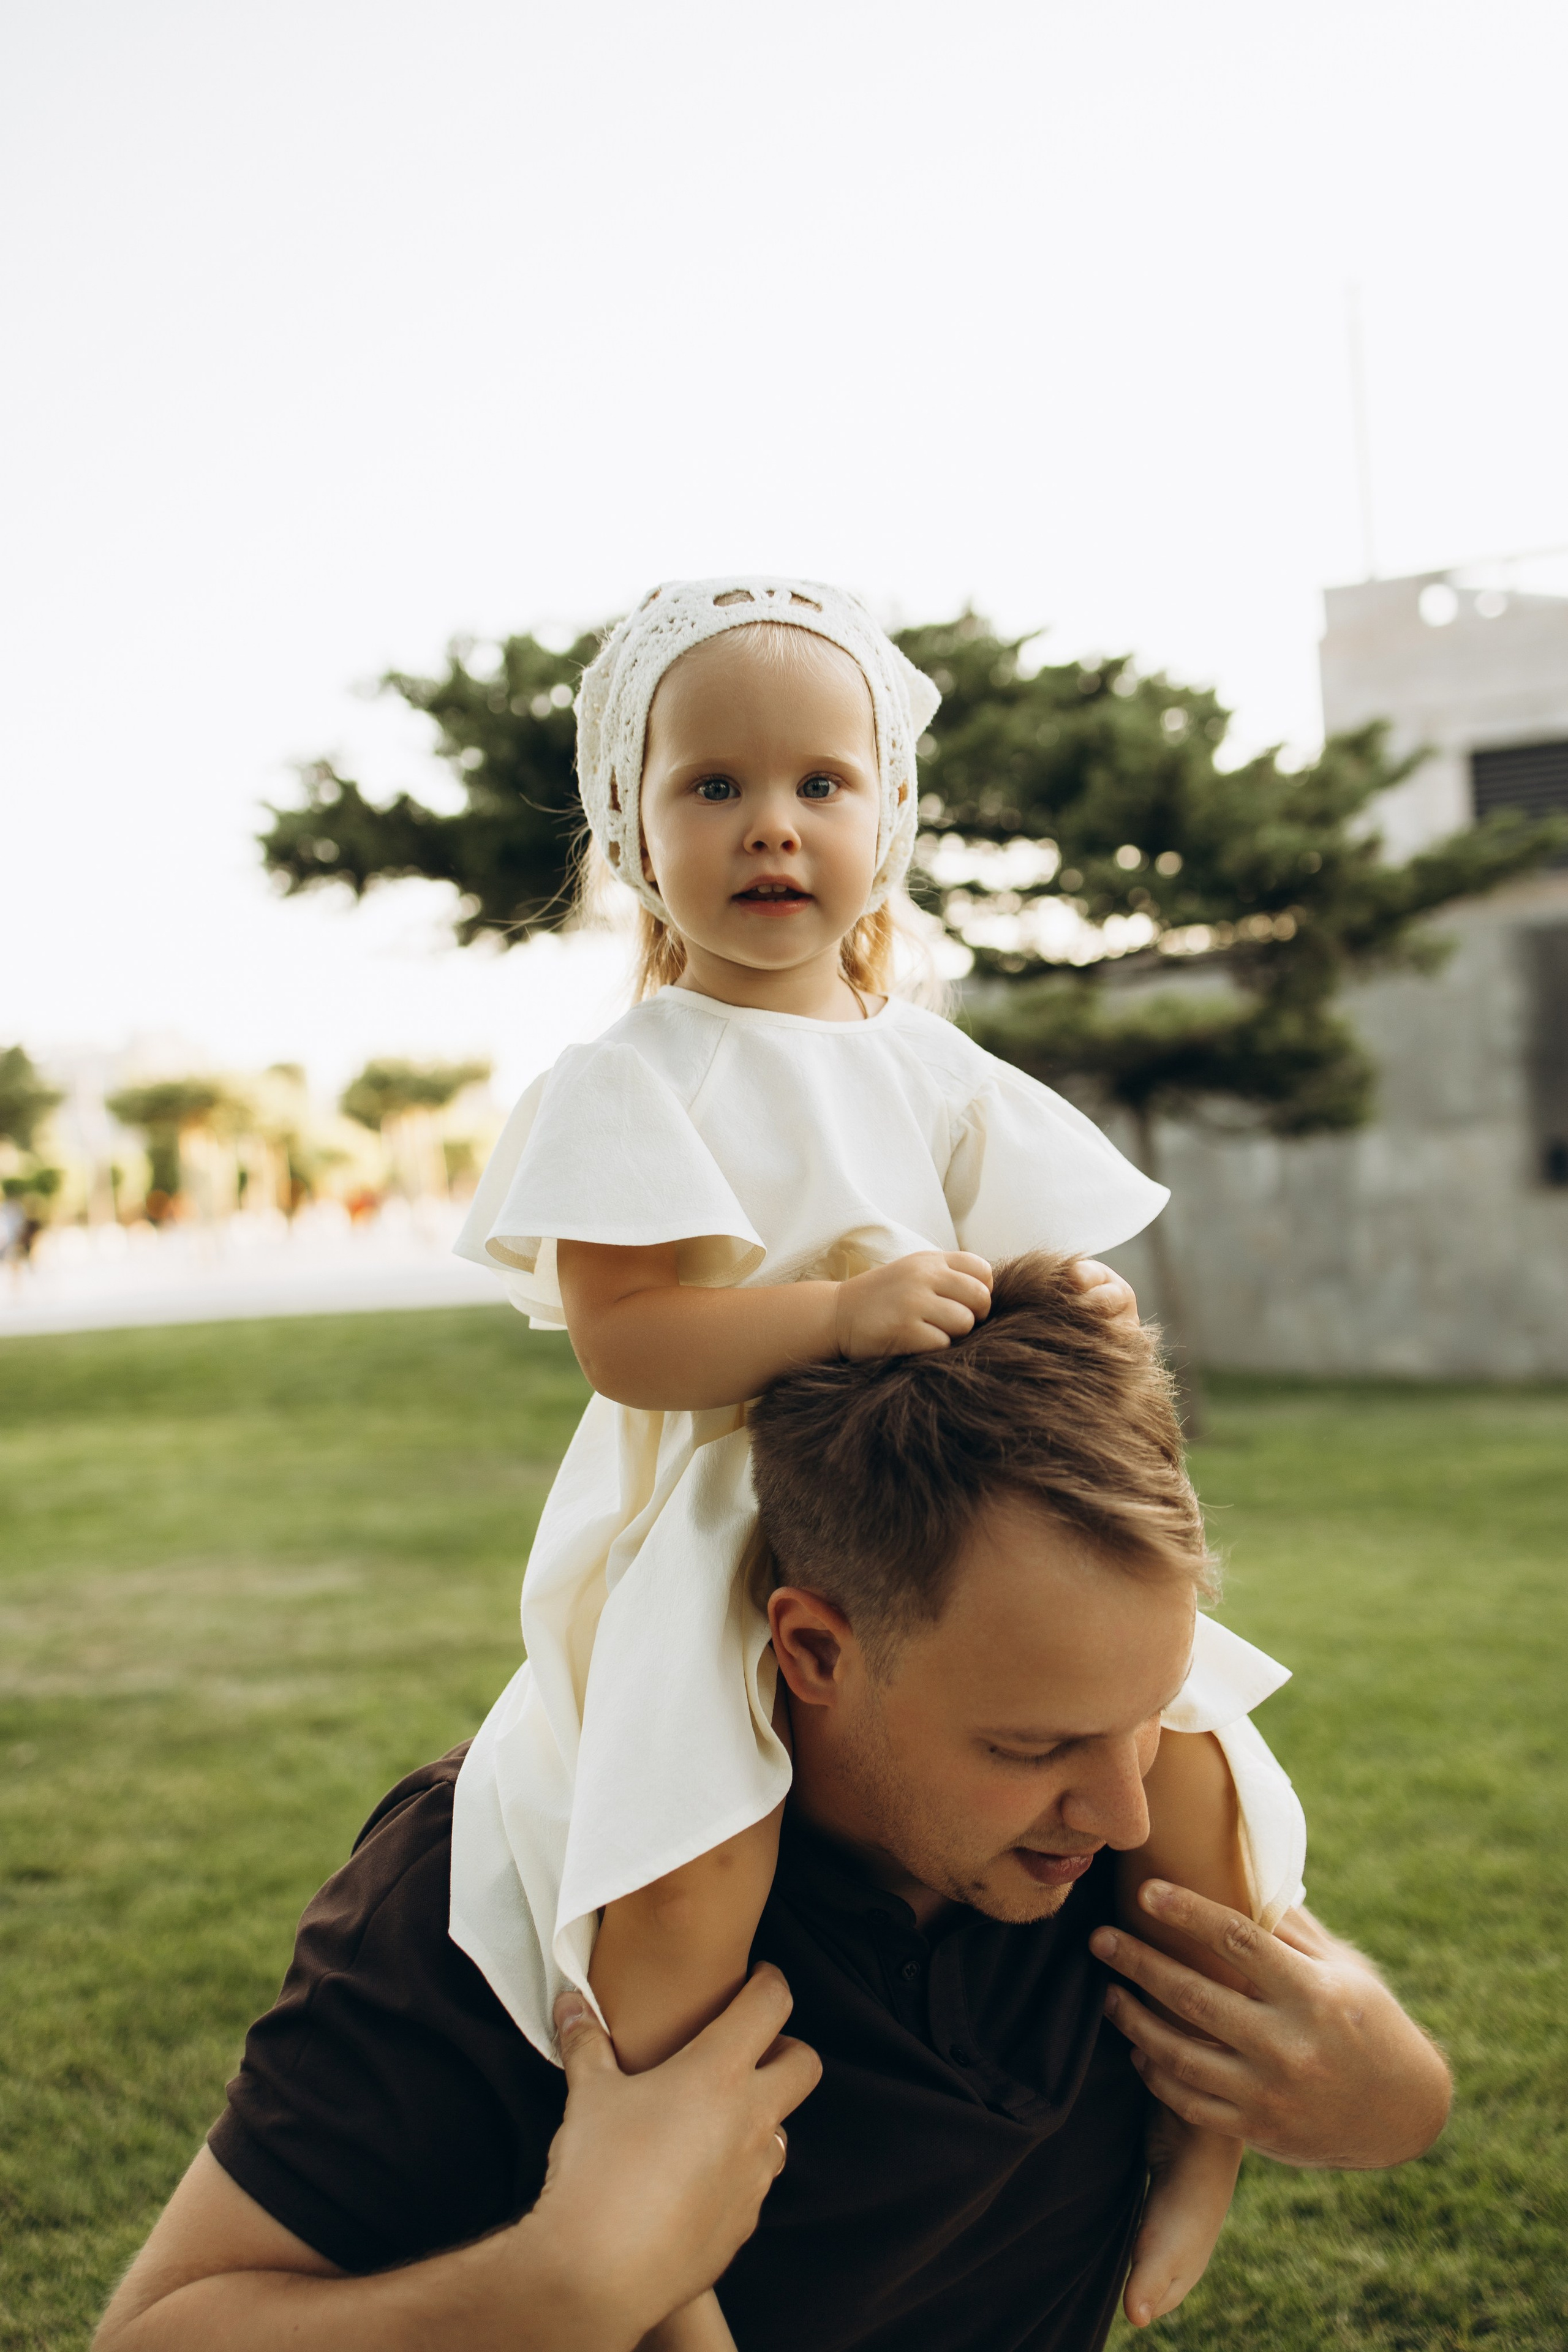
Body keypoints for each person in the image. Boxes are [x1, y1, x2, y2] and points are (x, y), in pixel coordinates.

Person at [448, 577, 1308, 2343]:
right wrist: (828, 1322)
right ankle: (660, 2243)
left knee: (1196, 1759)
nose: (773, 825)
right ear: (633, 828)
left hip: (960, 1517)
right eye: (713, 788)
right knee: (686, 1859)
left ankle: (1207, 2123)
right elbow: (633, 1345)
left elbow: (1042, 1259)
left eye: (822, 785)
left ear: (888, 819)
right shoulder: (639, 1075)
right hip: (731, 1512)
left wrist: (1070, 1298)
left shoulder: (925, 1061)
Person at [94, 1256, 1450, 2352]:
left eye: (1154, 1710)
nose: (1118, 1810)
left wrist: (1388, 2093)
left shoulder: (1117, 1810)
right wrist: (554, 2295)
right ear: (809, 1650)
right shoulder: (506, 1877)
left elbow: (1357, 2073)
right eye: (1030, 1745)